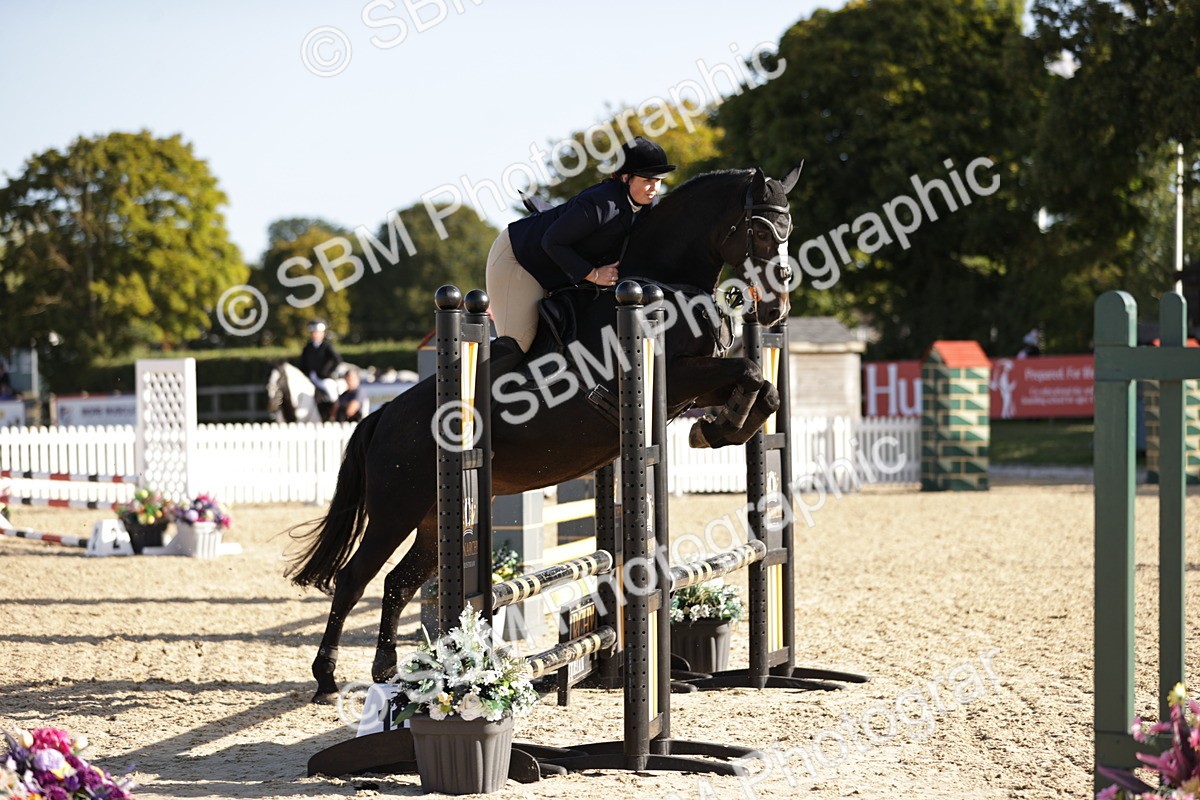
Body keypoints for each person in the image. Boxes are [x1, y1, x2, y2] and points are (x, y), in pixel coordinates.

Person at [486, 136, 676, 353]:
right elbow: (552, 241)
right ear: (626, 178)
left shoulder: (650, 207)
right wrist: (593, 274)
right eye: (647, 180)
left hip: (557, 269)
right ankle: (463, 384)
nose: (654, 188)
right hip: (520, 259)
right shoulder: (602, 204)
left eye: (658, 181)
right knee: (519, 344)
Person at [299, 319, 342, 402]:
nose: (314, 335)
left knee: (332, 394)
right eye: (312, 333)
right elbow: (302, 363)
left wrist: (328, 372)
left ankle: (334, 410)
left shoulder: (327, 346)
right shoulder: (307, 347)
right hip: (309, 378)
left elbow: (337, 360)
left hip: (324, 379)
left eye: (317, 332)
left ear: (323, 333)